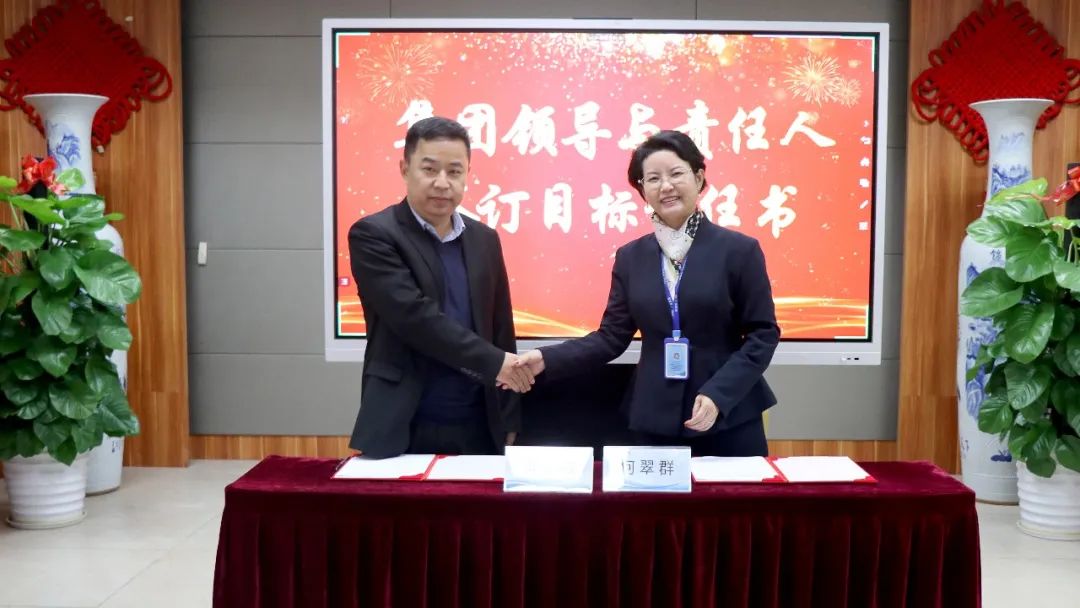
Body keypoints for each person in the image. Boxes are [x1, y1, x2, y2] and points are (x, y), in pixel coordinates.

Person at [517, 130, 780, 456]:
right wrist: (546, 358)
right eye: (653, 179)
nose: (665, 186)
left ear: (699, 178)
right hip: (654, 418)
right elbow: (611, 337)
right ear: (642, 190)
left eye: (676, 174)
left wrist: (720, 393)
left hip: (729, 416)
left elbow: (763, 334)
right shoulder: (631, 257)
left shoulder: (739, 250)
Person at [347, 116, 534, 459]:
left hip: (479, 418)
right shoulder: (374, 235)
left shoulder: (484, 239)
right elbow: (415, 318)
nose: (442, 183)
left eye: (454, 171)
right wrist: (496, 362)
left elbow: (500, 327)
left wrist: (509, 413)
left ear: (467, 174)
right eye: (430, 169)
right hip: (406, 419)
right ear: (405, 168)